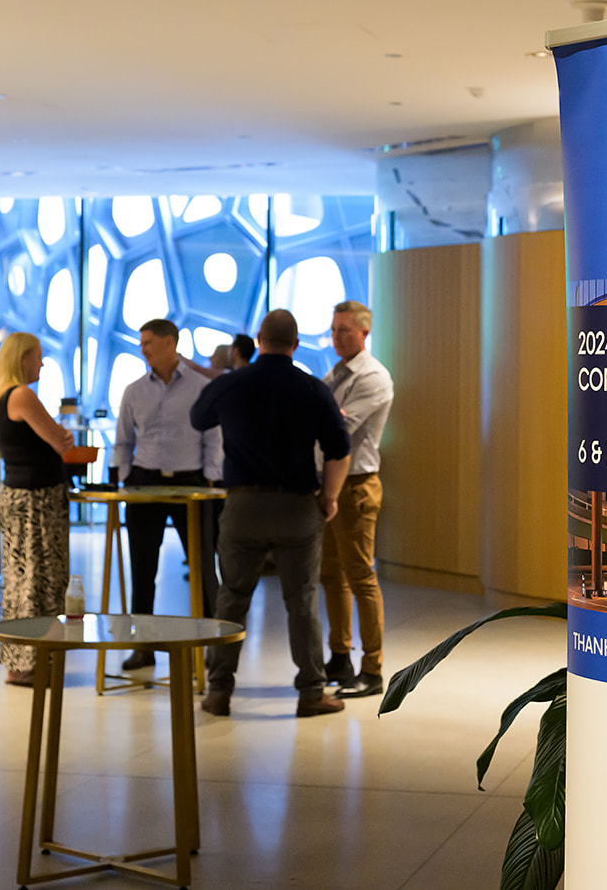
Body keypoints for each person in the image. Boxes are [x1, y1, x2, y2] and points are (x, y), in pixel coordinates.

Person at [189, 309, 351, 718]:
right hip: (297, 507)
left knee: (232, 597)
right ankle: (311, 693)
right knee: (302, 600)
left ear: (258, 341)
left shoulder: (231, 384)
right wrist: (330, 497)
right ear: (296, 344)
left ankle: (219, 691)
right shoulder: (312, 389)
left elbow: (198, 419)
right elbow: (339, 447)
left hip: (242, 506)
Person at [113, 318, 223, 670]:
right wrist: (126, 477)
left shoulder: (200, 387)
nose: (142, 349)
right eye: (141, 343)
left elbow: (214, 436)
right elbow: (123, 440)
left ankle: (212, 646)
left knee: (203, 567)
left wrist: (210, 477)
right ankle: (142, 647)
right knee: (142, 567)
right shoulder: (134, 390)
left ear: (169, 343)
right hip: (144, 481)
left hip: (192, 481)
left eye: (148, 342)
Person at [0, 332, 74, 686]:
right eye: (37, 356)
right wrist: (64, 436)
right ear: (21, 358)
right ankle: (30, 662)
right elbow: (61, 441)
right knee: (40, 580)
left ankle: (22, 661)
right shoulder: (22, 395)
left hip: (18, 496)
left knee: (21, 580)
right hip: (37, 501)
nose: (41, 363)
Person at [320, 300, 395, 698]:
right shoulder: (335, 373)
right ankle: (339, 656)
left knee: (361, 576)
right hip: (330, 483)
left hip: (357, 484)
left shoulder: (373, 376)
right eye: (334, 329)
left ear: (365, 333)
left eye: (345, 330)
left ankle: (372, 667)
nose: (337, 337)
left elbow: (339, 427)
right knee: (331, 574)